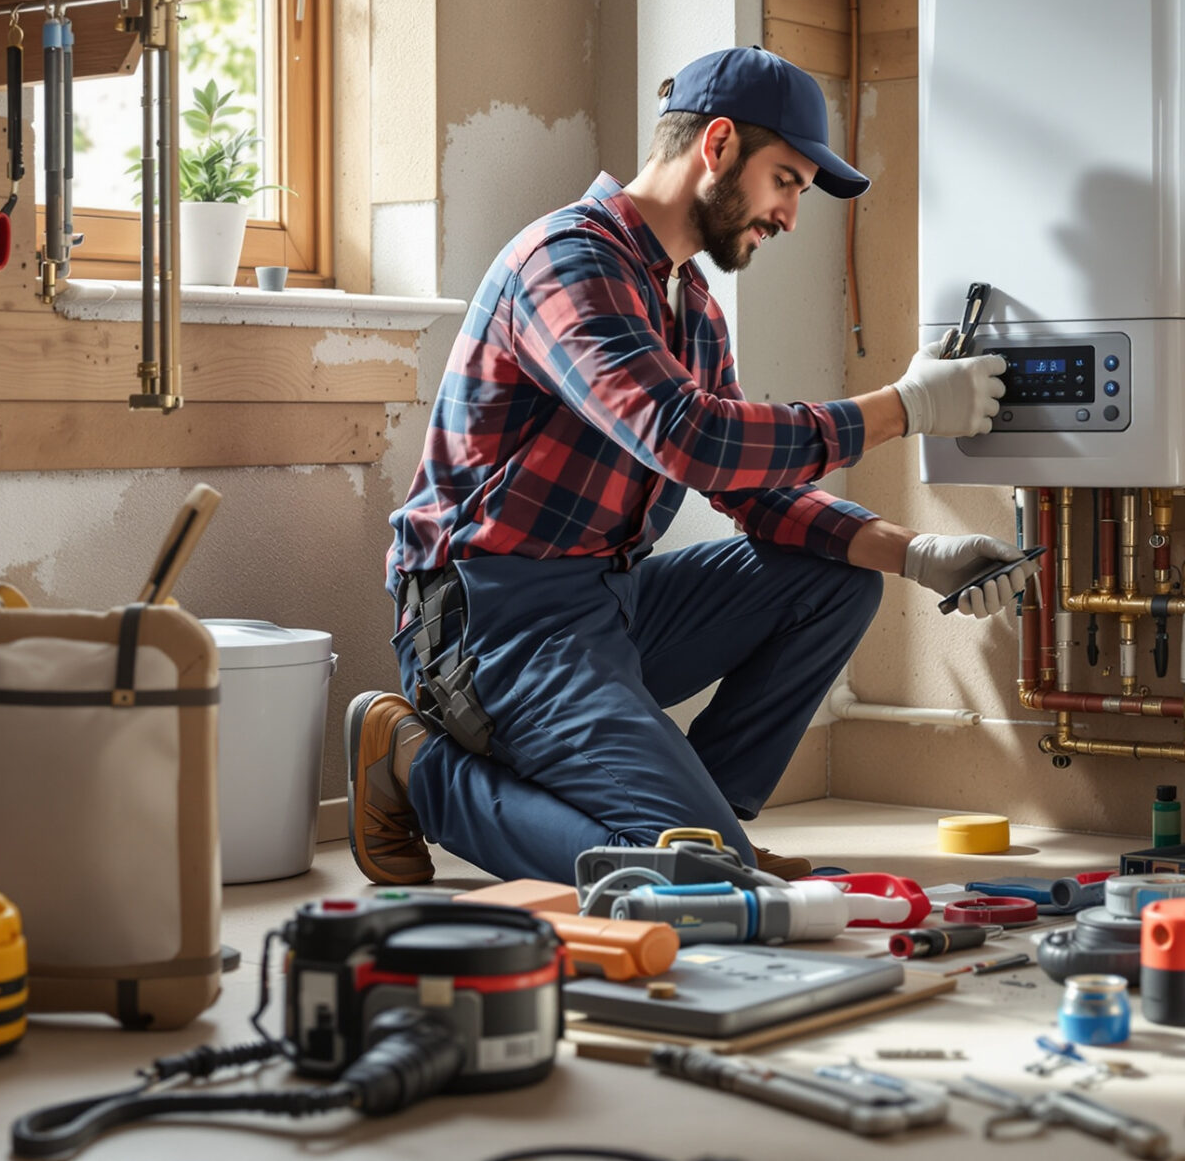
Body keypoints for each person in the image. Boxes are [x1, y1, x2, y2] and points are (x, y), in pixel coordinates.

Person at [348, 46, 1037, 887]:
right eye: (785, 180)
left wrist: (913, 553)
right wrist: (905, 407)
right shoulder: (566, 262)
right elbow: (687, 437)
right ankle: (418, 767)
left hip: (603, 601)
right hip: (490, 622)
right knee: (695, 881)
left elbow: (747, 486)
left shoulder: (691, 307)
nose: (790, 214)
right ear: (717, 146)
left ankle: (707, 823)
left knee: (834, 580)